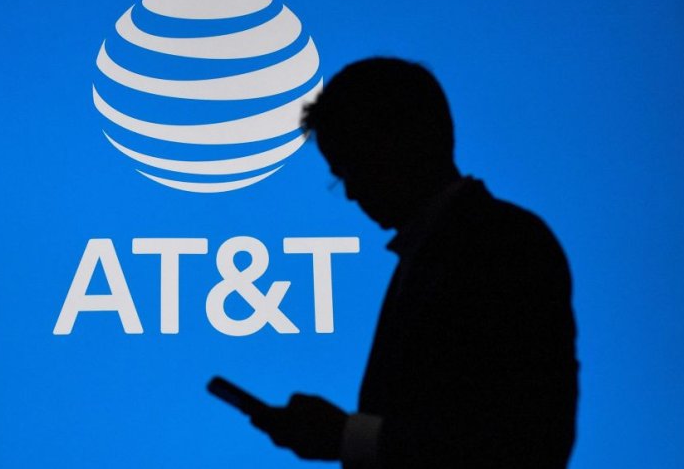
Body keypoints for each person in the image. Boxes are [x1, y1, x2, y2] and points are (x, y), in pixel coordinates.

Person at [248, 57, 579, 468]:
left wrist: (346, 436)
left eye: (351, 167)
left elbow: (527, 441)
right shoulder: (448, 251)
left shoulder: (504, 247)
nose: (350, 193)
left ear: (400, 143)